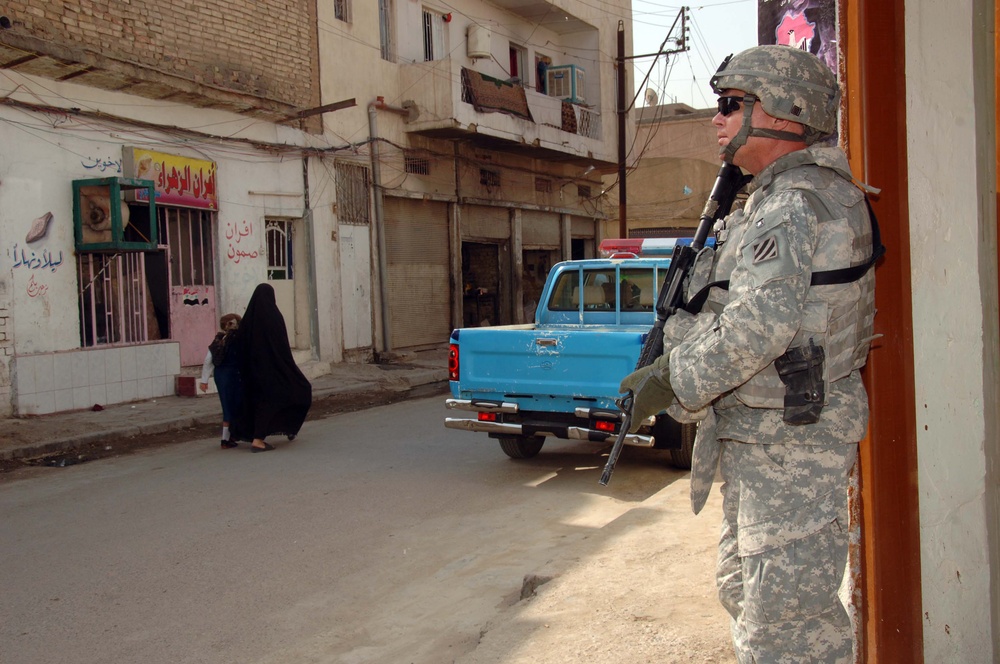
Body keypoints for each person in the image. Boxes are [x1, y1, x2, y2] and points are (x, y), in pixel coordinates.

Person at [619, 45, 880, 663]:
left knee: (786, 628)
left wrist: (670, 381)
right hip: (771, 436)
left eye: (731, 105)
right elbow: (731, 309)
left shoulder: (792, 203)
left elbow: (756, 327)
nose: (718, 119)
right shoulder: (777, 197)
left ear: (786, 114)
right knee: (748, 595)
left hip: (790, 444)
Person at [231, 283, 312, 453]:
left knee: (257, 402)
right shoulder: (274, 317)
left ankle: (241, 434)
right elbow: (281, 346)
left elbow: (239, 345)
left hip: (252, 373)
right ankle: (260, 439)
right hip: (273, 370)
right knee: (300, 390)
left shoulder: (248, 320)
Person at [198, 313, 242, 449]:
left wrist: (204, 380)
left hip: (221, 376)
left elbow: (208, 360)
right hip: (235, 375)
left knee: (226, 405)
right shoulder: (238, 339)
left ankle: (226, 438)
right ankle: (229, 437)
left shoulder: (218, 340)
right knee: (237, 404)